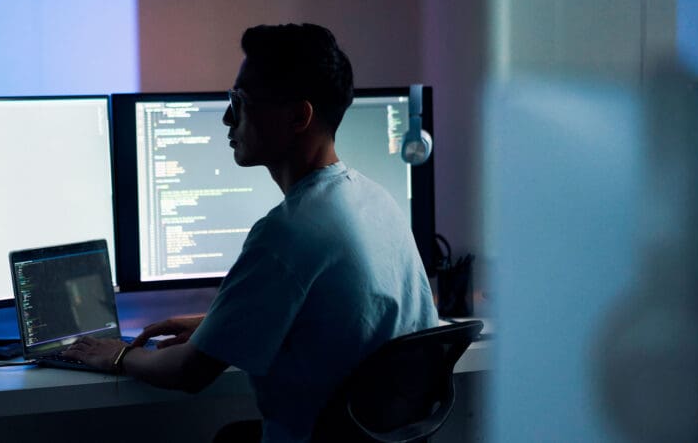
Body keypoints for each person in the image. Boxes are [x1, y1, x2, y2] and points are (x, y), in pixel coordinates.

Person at [62, 23, 437, 442]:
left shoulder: (287, 233)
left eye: (239, 101)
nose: (226, 118)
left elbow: (189, 373)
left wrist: (118, 356)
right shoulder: (376, 199)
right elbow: (344, 320)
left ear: (298, 116)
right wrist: (220, 325)